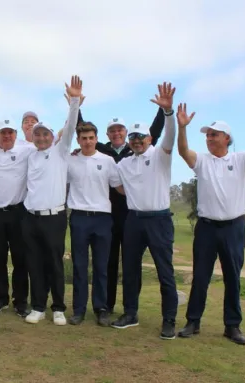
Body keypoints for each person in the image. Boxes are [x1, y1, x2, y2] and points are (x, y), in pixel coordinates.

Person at [176, 101, 245, 345]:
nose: (209, 139)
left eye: (214, 135)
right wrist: (182, 128)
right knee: (201, 276)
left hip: (233, 227)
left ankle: (232, 326)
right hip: (206, 227)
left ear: (227, 138)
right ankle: (193, 321)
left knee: (232, 278)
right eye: (207, 136)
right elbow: (184, 151)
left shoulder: (241, 160)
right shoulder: (202, 161)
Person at [74, 98, 166, 314]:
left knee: (132, 263)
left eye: (120, 130)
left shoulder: (136, 149)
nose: (116, 134)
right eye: (112, 131)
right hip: (107, 215)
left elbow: (155, 131)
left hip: (131, 214)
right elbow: (83, 132)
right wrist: (76, 107)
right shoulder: (102, 150)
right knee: (108, 263)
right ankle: (107, 304)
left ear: (126, 133)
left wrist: (163, 109)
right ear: (106, 135)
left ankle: (130, 307)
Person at [110, 82, 178, 340]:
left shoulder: (161, 155)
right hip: (134, 220)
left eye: (141, 137)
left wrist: (168, 113)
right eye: (133, 138)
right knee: (130, 269)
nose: (137, 141)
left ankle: (169, 320)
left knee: (164, 271)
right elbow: (116, 186)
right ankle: (130, 313)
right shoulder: (124, 163)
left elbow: (170, 136)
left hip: (159, 219)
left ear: (150, 138)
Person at [22, 75, 83, 326]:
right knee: (34, 264)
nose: (42, 138)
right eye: (38, 135)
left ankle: (58, 307)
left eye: (45, 134)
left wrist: (75, 100)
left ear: (52, 136)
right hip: (30, 217)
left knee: (54, 263)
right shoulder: (30, 156)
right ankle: (37, 306)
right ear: (33, 137)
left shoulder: (61, 151)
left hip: (54, 217)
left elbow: (69, 128)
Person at [0, 97, 36, 317]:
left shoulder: (26, 151)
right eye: (3, 132)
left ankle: (20, 301)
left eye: (11, 132)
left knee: (20, 258)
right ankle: (1, 298)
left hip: (18, 213)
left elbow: (50, 142)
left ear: (16, 134)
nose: (7, 135)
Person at [67, 121, 124, 326]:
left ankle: (101, 308)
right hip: (79, 217)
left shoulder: (108, 161)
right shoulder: (70, 160)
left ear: (97, 139)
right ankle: (79, 310)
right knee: (80, 266)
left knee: (102, 266)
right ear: (78, 140)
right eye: (84, 138)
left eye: (91, 138)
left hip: (102, 218)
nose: (88, 142)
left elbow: (119, 188)